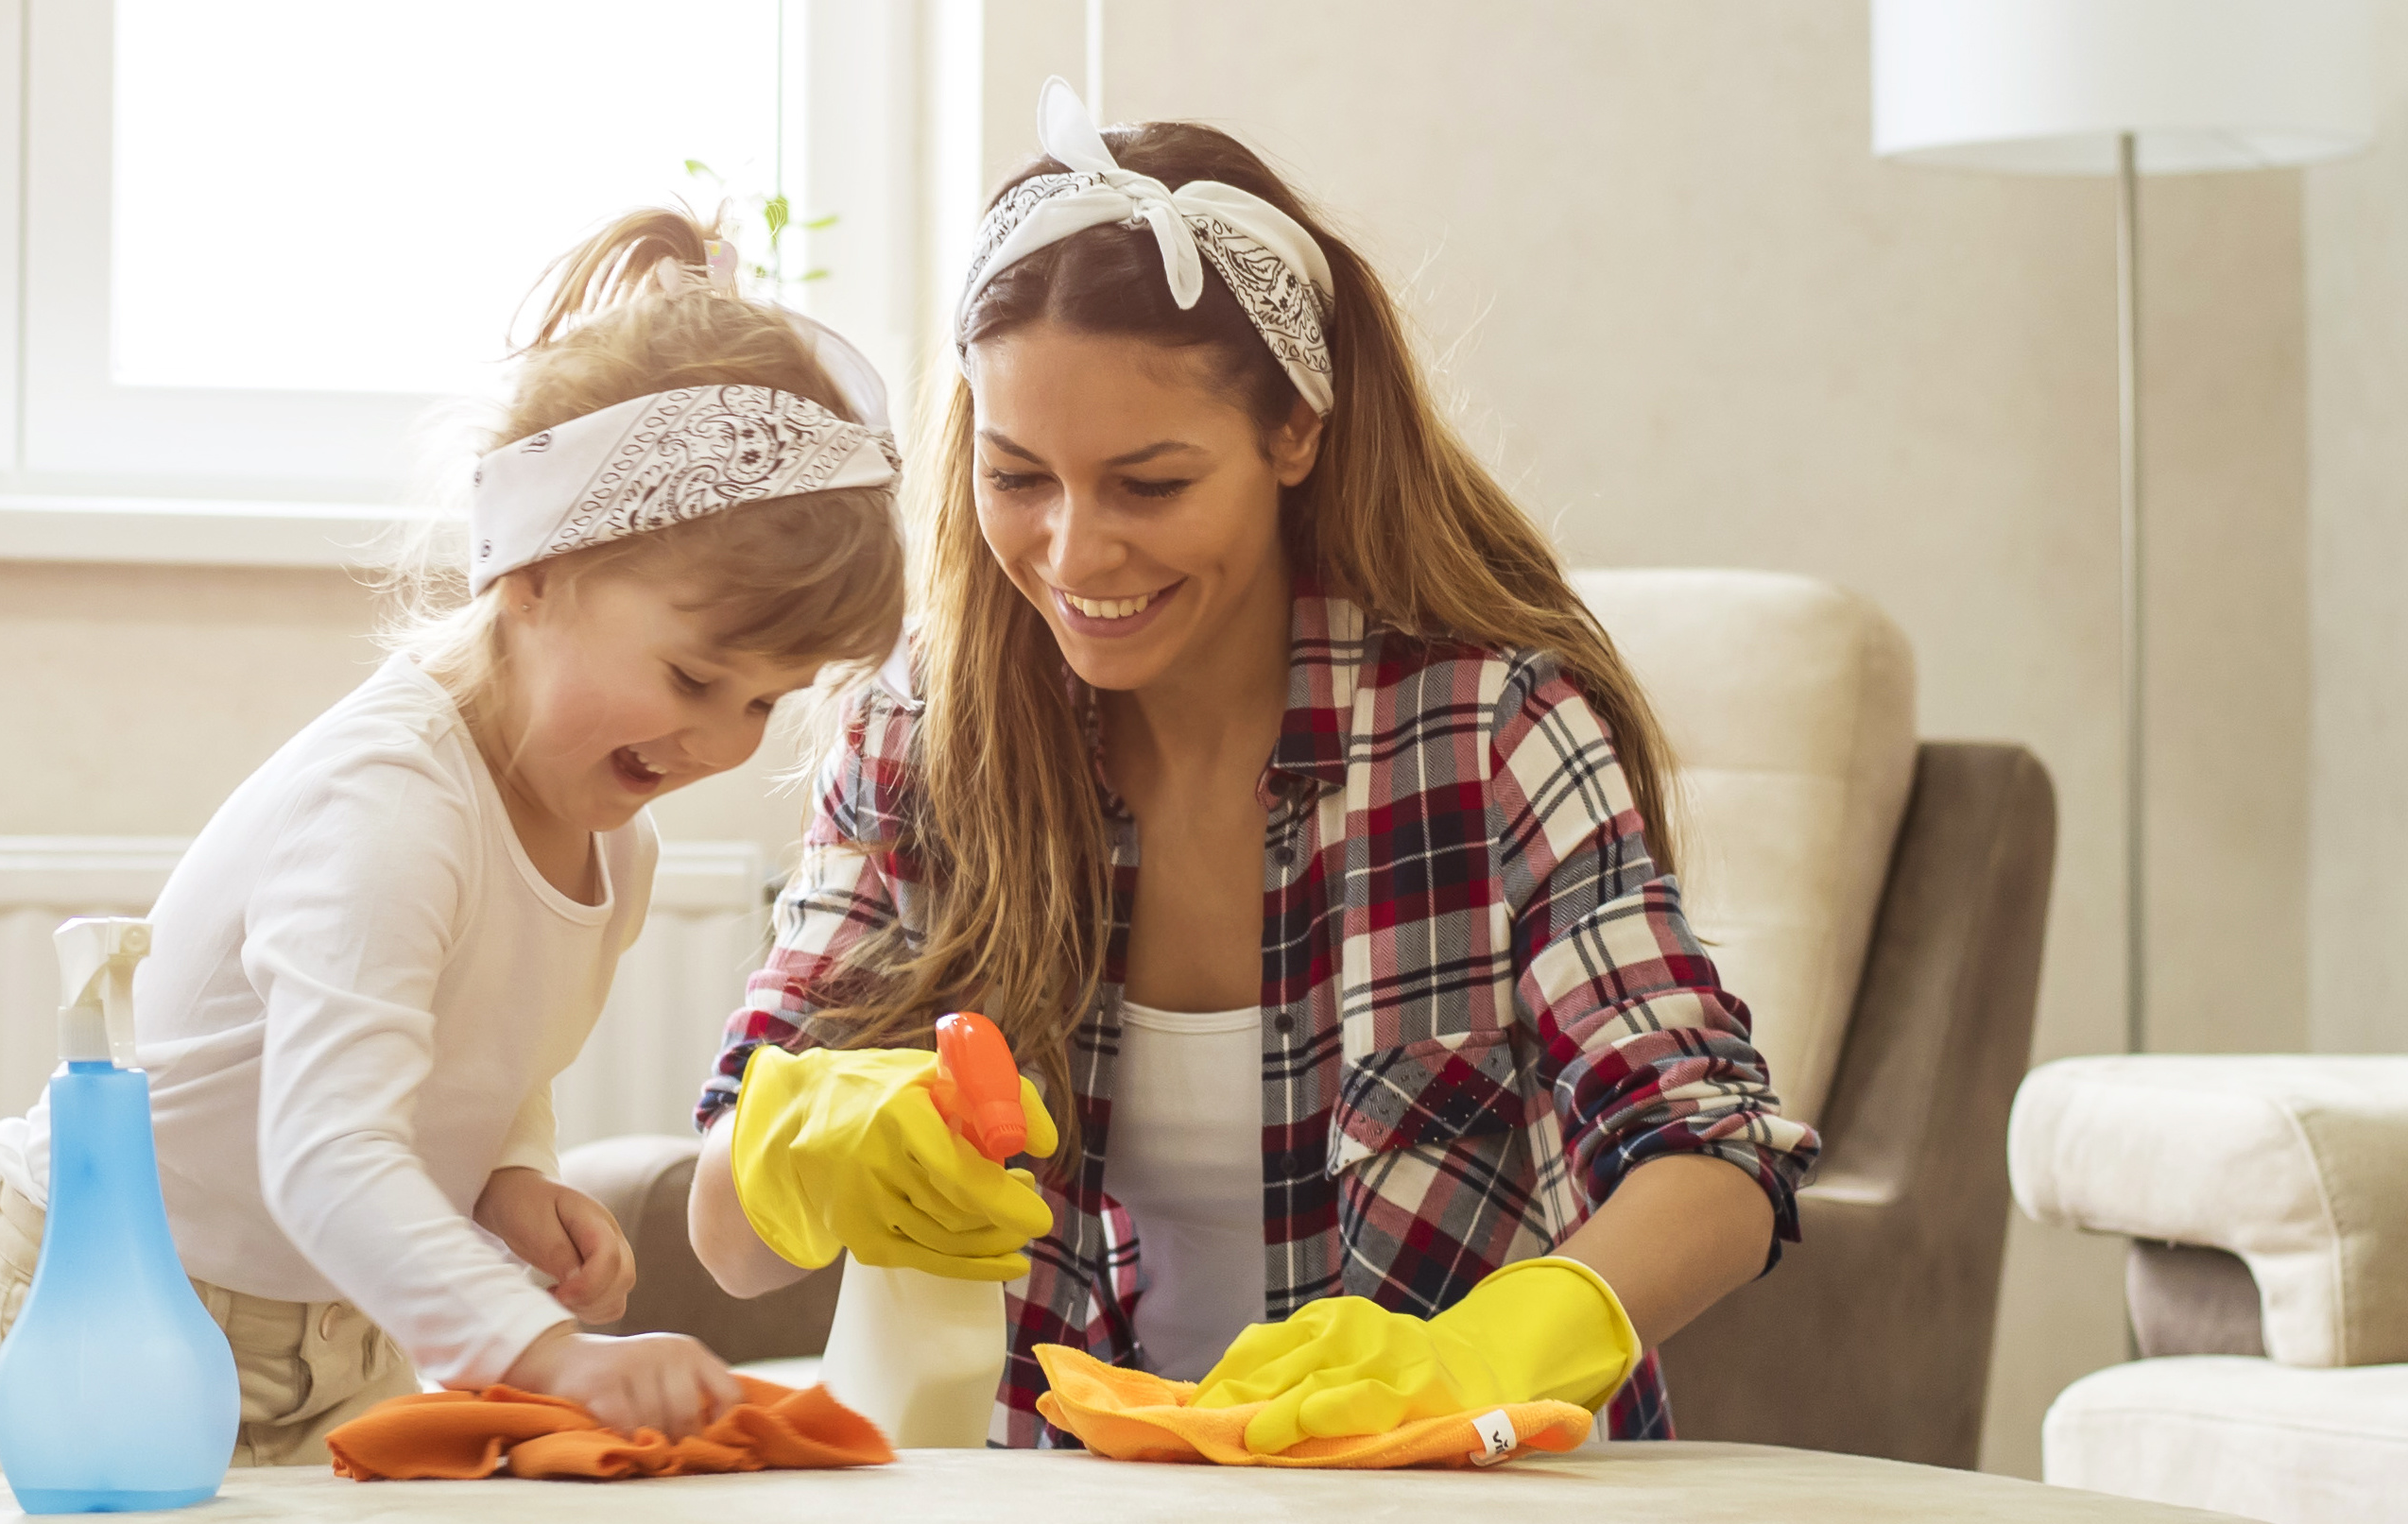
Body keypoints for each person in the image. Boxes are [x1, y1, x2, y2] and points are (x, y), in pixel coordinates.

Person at [691, 84, 1817, 1448]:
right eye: (1019, 476)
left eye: (1149, 484)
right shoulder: (926, 734)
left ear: (1295, 433)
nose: (1073, 552)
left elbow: (1717, 1152)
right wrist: (791, 1142)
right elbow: (726, 1237)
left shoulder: (1488, 729)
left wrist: (1490, 1351)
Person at [0, 210, 907, 1466]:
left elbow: (486, 1052)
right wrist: (553, 1353)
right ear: (535, 570)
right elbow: (327, 1151)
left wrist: (510, 1175)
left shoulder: (611, 837)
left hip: (343, 1320)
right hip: (121, 1303)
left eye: (765, 702)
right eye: (694, 676)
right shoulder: (388, 809)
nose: (725, 743)